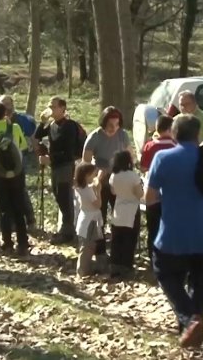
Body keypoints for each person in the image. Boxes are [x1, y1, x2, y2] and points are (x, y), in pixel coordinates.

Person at [145, 114, 203, 348]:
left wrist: (170, 195)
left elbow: (150, 198)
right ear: (198, 134)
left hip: (172, 235)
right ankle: (193, 329)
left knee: (165, 274)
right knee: (201, 283)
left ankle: (189, 319)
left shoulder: (163, 158)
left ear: (173, 134)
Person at [0, 95, 37, 226]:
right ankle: (10, 222)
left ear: (12, 105)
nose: (6, 107)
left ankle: (29, 218)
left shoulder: (21, 120)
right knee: (5, 193)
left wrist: (36, 152)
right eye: (2, 104)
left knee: (21, 191)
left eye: (7, 104)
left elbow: (32, 135)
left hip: (19, 161)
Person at [34, 96, 85, 245]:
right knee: (58, 195)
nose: (51, 109)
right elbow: (37, 136)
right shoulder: (52, 125)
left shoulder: (69, 126)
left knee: (65, 197)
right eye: (50, 106)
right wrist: (43, 121)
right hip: (55, 166)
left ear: (62, 108)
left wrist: (50, 159)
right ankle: (66, 229)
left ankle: (69, 232)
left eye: (54, 106)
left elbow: (68, 151)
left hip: (66, 165)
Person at [83, 106, 132, 257]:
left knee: (120, 216)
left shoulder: (123, 135)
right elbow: (85, 161)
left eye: (117, 125)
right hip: (100, 182)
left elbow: (130, 156)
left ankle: (119, 251)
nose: (114, 128)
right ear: (104, 123)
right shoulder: (95, 137)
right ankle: (100, 251)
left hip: (118, 182)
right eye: (111, 125)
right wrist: (97, 174)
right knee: (100, 217)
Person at [0, 101, 29, 255]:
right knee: (18, 207)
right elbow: (22, 146)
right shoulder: (14, 128)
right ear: (5, 114)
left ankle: (7, 242)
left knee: (4, 209)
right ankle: (22, 243)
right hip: (17, 173)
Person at [139, 116, 177, 261]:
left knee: (153, 227)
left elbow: (143, 168)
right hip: (171, 193)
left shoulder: (149, 146)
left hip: (152, 192)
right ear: (170, 129)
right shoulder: (175, 145)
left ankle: (153, 256)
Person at [109, 150, 143, 278]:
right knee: (130, 239)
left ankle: (114, 264)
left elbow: (113, 192)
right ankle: (126, 266)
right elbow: (139, 194)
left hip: (118, 209)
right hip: (132, 209)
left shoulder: (114, 176)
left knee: (116, 239)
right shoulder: (133, 176)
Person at [74, 162, 103, 277]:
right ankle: (82, 271)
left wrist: (97, 180)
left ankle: (85, 269)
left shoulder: (79, 188)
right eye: (92, 174)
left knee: (88, 246)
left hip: (84, 218)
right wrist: (99, 191)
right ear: (86, 175)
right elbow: (98, 204)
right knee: (87, 247)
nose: (94, 176)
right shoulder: (89, 191)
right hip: (90, 221)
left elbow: (92, 184)